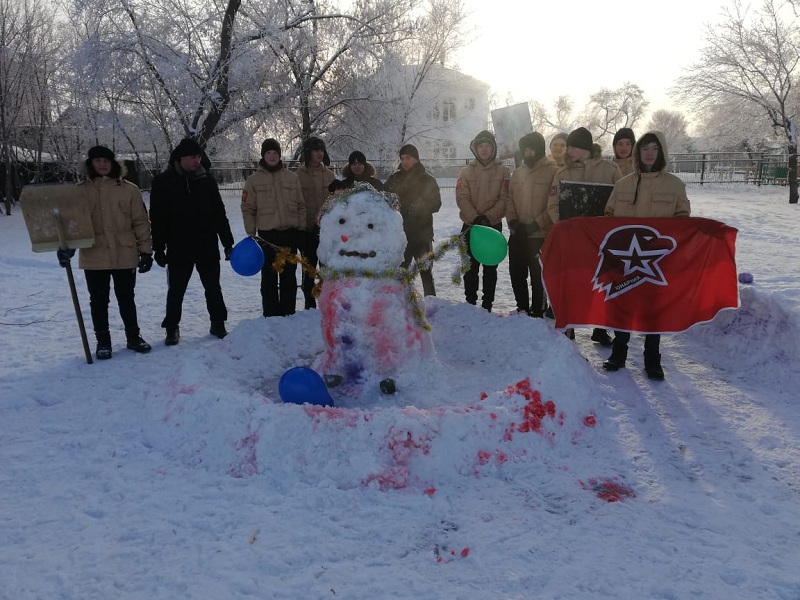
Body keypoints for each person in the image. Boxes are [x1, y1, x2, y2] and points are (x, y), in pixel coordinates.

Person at [602, 130, 691, 380]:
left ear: (661, 152)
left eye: (654, 148)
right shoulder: (623, 184)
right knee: (623, 306)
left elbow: (683, 219)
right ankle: (618, 354)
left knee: (654, 310)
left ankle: (652, 359)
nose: (649, 153)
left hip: (657, 261)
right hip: (625, 259)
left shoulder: (674, 185)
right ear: (638, 153)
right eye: (645, 149)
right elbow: (608, 216)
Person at [56, 145, 152, 360]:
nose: (101, 164)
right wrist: (67, 248)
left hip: (124, 253)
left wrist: (145, 250)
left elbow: (140, 221)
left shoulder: (130, 190)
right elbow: (72, 223)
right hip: (94, 254)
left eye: (106, 161)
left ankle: (133, 337)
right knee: (98, 301)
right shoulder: (79, 191)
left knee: (127, 298)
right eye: (97, 161)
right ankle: (103, 342)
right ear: (90, 164)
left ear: (113, 164)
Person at [149, 138, 235, 345]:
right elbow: (157, 218)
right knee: (176, 289)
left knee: (213, 286)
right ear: (180, 158)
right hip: (179, 246)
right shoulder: (163, 182)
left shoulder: (207, 180)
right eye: (192, 157)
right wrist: (158, 248)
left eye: (198, 156)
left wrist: (227, 242)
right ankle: (172, 327)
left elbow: (219, 213)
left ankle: (218, 322)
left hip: (206, 244)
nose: (197, 160)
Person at [547, 126, 622, 344]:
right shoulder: (562, 173)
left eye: (572, 147)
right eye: (567, 146)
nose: (567, 151)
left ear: (584, 148)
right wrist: (563, 227)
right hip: (572, 241)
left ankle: (601, 328)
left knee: (603, 284)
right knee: (572, 284)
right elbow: (552, 205)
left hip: (601, 242)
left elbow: (619, 201)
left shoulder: (610, 170)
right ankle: (569, 329)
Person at [242, 138, 306, 317]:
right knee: (269, 277)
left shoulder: (292, 178)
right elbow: (248, 208)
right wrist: (251, 232)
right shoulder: (253, 181)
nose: (272, 156)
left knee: (289, 277)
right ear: (263, 155)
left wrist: (300, 230)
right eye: (268, 153)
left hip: (289, 235)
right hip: (266, 236)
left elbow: (301, 205)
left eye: (275, 153)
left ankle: (288, 312)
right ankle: (270, 313)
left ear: (279, 155)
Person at [456, 129, 510, 312]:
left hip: (492, 226)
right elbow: (462, 197)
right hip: (470, 226)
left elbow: (505, 198)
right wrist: (476, 218)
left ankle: (487, 304)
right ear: (475, 149)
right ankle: (470, 302)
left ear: (493, 148)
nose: (484, 149)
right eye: (481, 146)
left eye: (488, 146)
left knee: (490, 267)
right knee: (470, 267)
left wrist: (488, 218)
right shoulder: (465, 172)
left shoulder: (503, 171)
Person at [506, 132, 559, 316]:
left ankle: (538, 310)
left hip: (540, 235)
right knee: (517, 274)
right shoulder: (518, 172)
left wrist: (537, 224)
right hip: (518, 234)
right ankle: (522, 307)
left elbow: (553, 203)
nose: (528, 153)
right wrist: (513, 222)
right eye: (525, 149)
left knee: (538, 277)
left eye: (531, 149)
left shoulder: (553, 171)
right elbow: (510, 199)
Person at [384, 143, 442, 296]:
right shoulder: (395, 178)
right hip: (401, 235)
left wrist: (418, 208)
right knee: (400, 273)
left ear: (416, 159)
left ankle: (431, 303)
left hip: (422, 235)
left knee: (426, 273)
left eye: (408, 158)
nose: (404, 161)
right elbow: (382, 196)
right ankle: (399, 303)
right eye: (402, 158)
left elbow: (436, 203)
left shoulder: (427, 179)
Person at [296, 137, 335, 309]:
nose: (319, 154)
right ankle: (309, 303)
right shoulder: (298, 175)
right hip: (307, 229)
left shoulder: (330, 174)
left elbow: (335, 201)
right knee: (309, 269)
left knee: (327, 268)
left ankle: (327, 302)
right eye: (315, 150)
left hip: (326, 230)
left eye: (321, 150)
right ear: (308, 152)